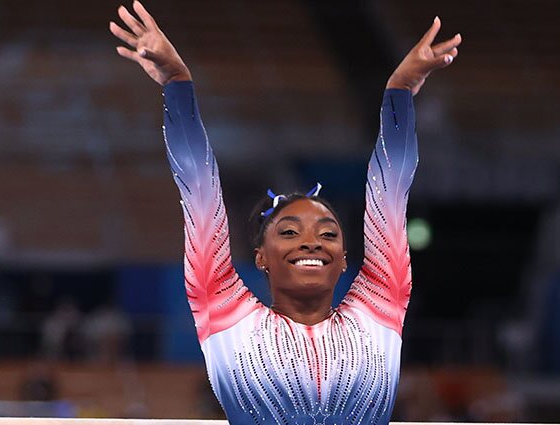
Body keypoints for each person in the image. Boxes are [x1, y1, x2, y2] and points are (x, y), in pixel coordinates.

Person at [110, 2, 460, 423]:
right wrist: (177, 82)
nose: (311, 241)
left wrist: (400, 91)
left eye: (328, 233)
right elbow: (198, 188)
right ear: (260, 256)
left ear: (346, 259)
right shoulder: (223, 311)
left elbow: (393, 187)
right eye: (289, 233)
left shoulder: (380, 308)